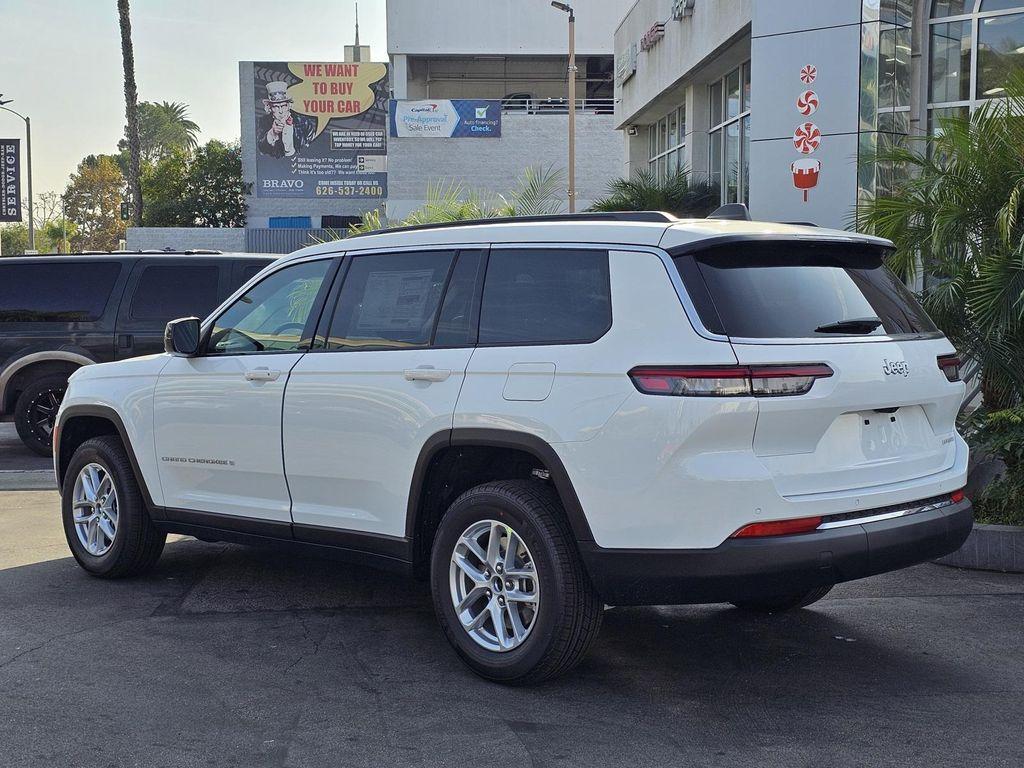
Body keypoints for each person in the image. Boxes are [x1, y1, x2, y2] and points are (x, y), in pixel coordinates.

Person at [257, 82, 316, 158]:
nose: (280, 111)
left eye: (283, 106)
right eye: (276, 107)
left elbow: (312, 148)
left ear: (289, 106)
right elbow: (261, 149)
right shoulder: (263, 121)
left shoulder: (304, 122)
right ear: (270, 108)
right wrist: (273, 133)